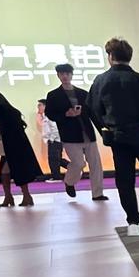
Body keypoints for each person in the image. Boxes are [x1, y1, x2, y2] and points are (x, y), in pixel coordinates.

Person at [87, 37, 139, 236]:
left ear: (110, 56)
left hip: (118, 137)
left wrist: (105, 128)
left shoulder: (100, 81)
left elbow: (92, 109)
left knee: (124, 180)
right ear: (129, 56)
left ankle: (133, 222)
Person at [45, 63, 107, 200]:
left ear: (71, 75)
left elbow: (93, 114)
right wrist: (65, 114)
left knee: (96, 164)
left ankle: (98, 194)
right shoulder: (53, 95)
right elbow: (50, 114)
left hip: (88, 133)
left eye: (67, 73)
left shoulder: (83, 93)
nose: (65, 76)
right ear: (58, 75)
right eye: (62, 74)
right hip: (69, 135)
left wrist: (103, 131)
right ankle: (69, 181)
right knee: (78, 163)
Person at [0, 92, 41, 207]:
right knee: (7, 172)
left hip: (15, 147)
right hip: (9, 147)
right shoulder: (4, 113)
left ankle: (21, 197)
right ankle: (13, 197)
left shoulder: (5, 112)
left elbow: (9, 126)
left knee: (16, 171)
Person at [37, 99, 66, 180]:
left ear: (45, 106)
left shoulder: (50, 116)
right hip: (53, 140)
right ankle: (73, 168)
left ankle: (57, 177)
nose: (38, 107)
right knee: (56, 159)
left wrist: (51, 139)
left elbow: (55, 129)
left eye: (40, 105)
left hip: (55, 141)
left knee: (54, 160)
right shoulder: (45, 116)